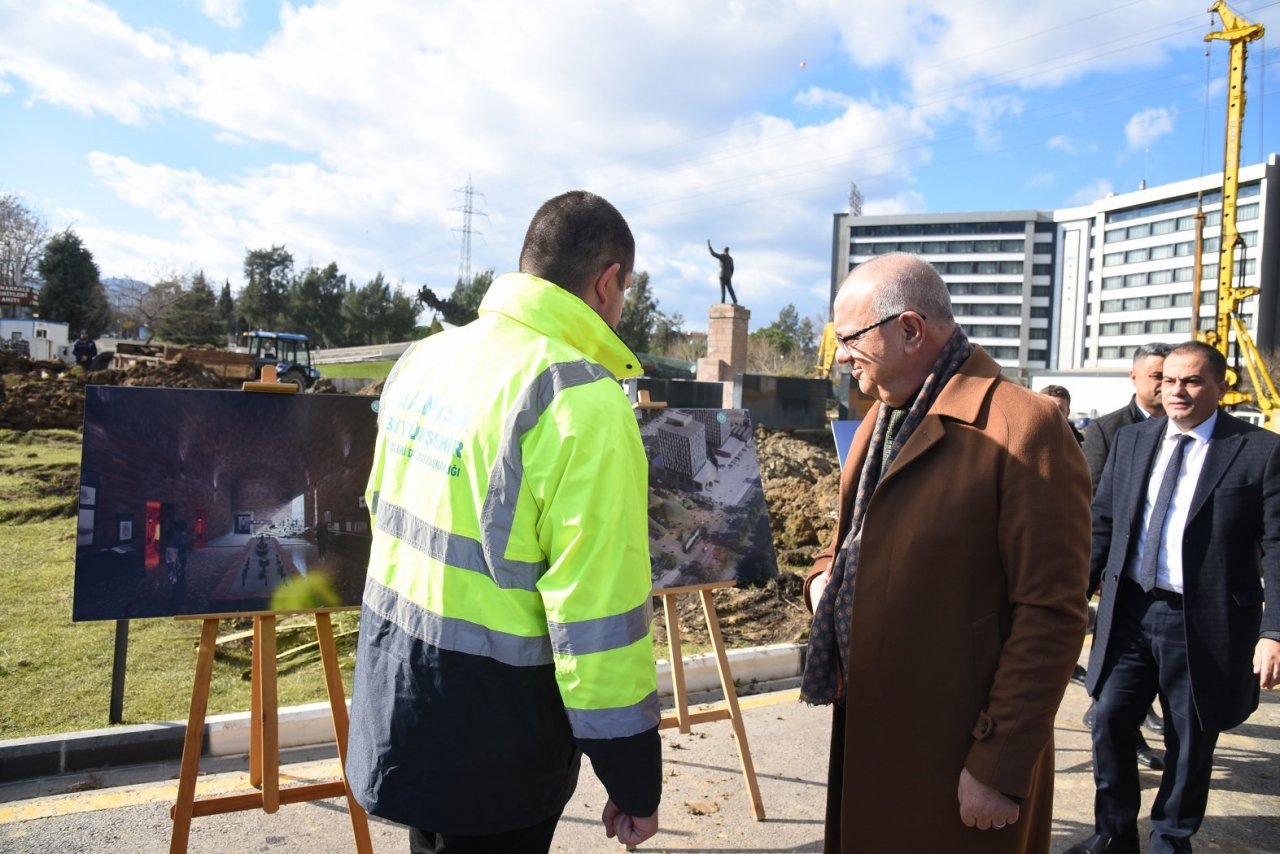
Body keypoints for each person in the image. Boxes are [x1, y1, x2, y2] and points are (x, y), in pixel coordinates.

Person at [346, 191, 661, 853]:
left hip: (399, 704)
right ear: (608, 283)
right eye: (625, 289)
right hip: (498, 744)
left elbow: (385, 516)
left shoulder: (424, 360)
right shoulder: (580, 400)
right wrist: (633, 777)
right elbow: (596, 614)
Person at [801, 252, 1090, 853]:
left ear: (910, 330)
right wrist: (823, 583)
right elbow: (845, 548)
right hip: (876, 737)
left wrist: (999, 765)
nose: (841, 356)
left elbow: (1051, 613)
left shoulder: (1022, 428)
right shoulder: (882, 420)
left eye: (850, 338)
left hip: (958, 755)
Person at [1068, 340, 1280, 854]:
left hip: (1204, 622)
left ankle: (1170, 840)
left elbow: (1277, 545)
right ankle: (1113, 836)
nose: (1176, 390)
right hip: (1130, 612)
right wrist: (1072, 601)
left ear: (1220, 387)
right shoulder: (1133, 440)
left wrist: (1273, 632)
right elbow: (1103, 525)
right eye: (1168, 380)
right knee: (1111, 722)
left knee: (1189, 742)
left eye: (1191, 381)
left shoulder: (1259, 450)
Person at [1079, 342, 1174, 772]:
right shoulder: (1107, 430)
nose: (1163, 385)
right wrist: (1092, 570)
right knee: (1116, 664)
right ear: (1134, 378)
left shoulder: (1188, 430)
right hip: (1119, 571)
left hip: (1169, 581)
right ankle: (1120, 727)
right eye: (1156, 376)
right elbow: (1094, 503)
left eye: (1168, 376)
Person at [707, 240, 737, 304]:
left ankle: (722, 301)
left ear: (724, 251)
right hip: (728, 276)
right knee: (730, 289)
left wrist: (709, 246)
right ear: (728, 251)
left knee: (723, 289)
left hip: (722, 275)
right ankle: (735, 300)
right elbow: (732, 269)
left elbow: (713, 253)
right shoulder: (731, 259)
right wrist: (730, 275)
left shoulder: (722, 256)